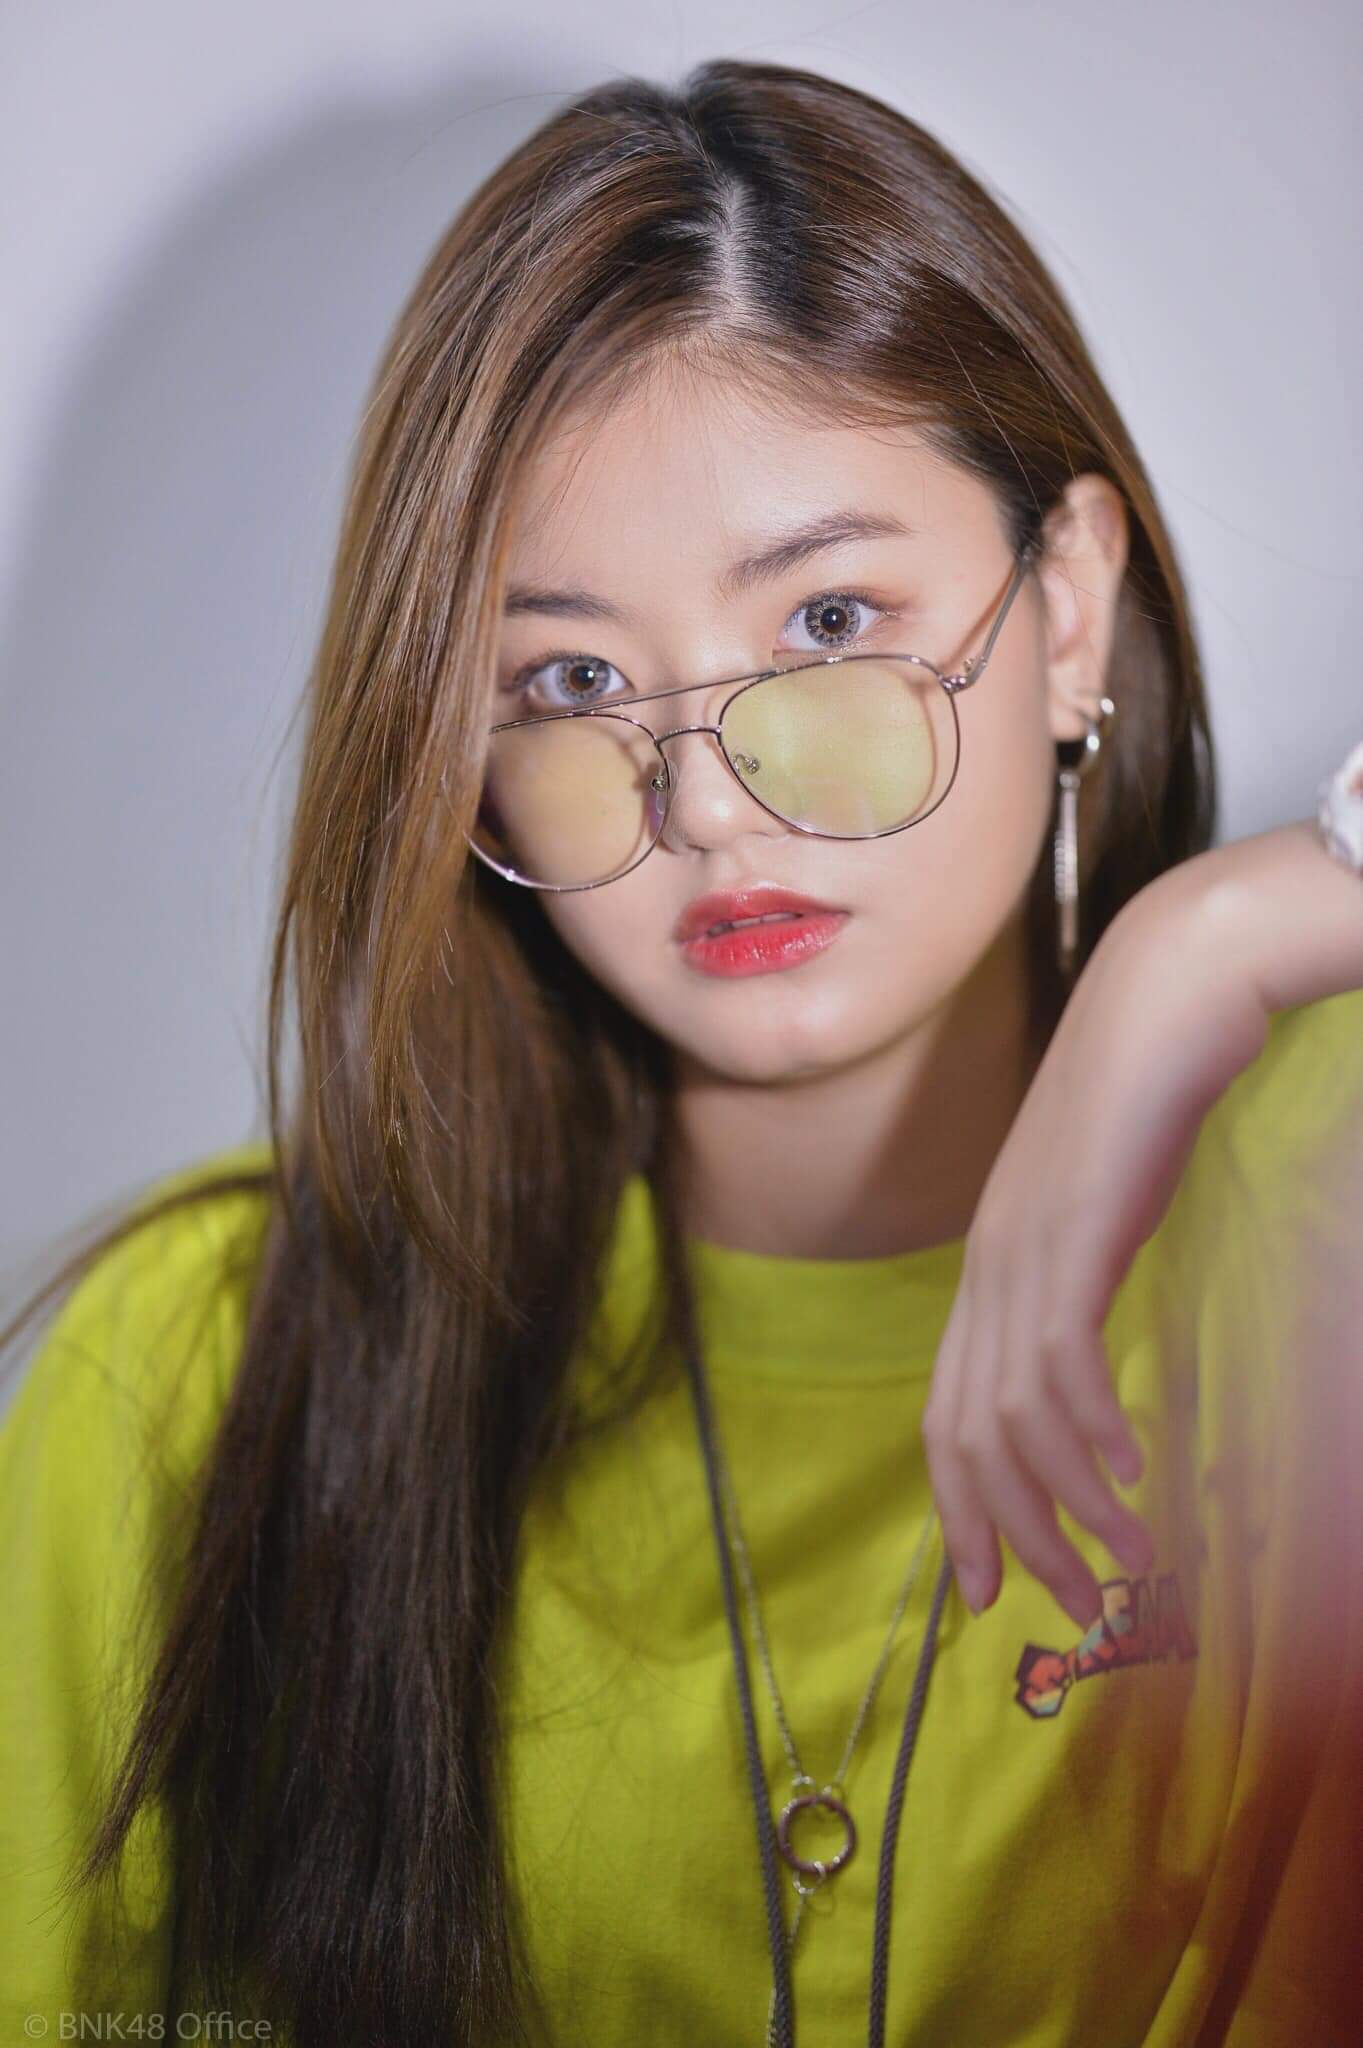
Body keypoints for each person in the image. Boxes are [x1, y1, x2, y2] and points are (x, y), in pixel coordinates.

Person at [2, 56, 1361, 2048]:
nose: (707, 799)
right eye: (569, 678)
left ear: (1067, 611)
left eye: (824, 622)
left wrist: (1211, 942)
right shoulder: (199, 1371)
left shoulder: (1327, 1185)